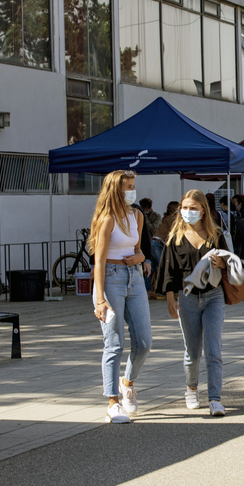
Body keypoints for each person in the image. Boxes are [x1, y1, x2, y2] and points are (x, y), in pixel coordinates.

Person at [88, 170, 152, 424]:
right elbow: (99, 261)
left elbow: (138, 248)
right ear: (115, 189)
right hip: (111, 277)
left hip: (134, 277)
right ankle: (112, 402)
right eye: (127, 187)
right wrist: (100, 298)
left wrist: (141, 257)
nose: (131, 191)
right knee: (114, 342)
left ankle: (128, 382)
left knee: (144, 341)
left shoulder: (137, 215)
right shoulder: (107, 219)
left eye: (133, 186)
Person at [157, 190, 228, 417]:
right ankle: (192, 388)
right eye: (185, 208)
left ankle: (215, 399)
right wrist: (170, 295)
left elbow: (231, 264)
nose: (188, 212)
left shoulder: (215, 235)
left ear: (203, 210)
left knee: (213, 349)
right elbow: (168, 269)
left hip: (213, 296)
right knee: (192, 351)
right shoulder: (176, 237)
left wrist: (222, 263)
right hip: (187, 297)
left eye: (193, 208)